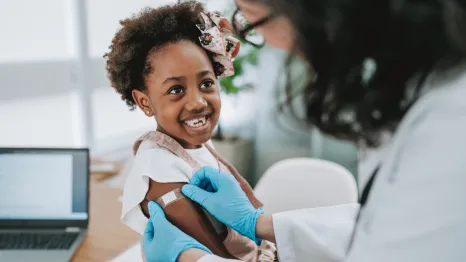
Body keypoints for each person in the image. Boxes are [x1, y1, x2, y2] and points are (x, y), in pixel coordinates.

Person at [142, 0, 466, 261]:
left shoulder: (449, 131)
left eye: (254, 23)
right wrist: (260, 224)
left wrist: (192, 261)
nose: (269, 43)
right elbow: (379, 227)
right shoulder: (412, 89)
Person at [104, 2, 275, 261]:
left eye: (206, 83)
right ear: (144, 102)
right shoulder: (160, 168)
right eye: (176, 90)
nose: (197, 102)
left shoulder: (194, 142)